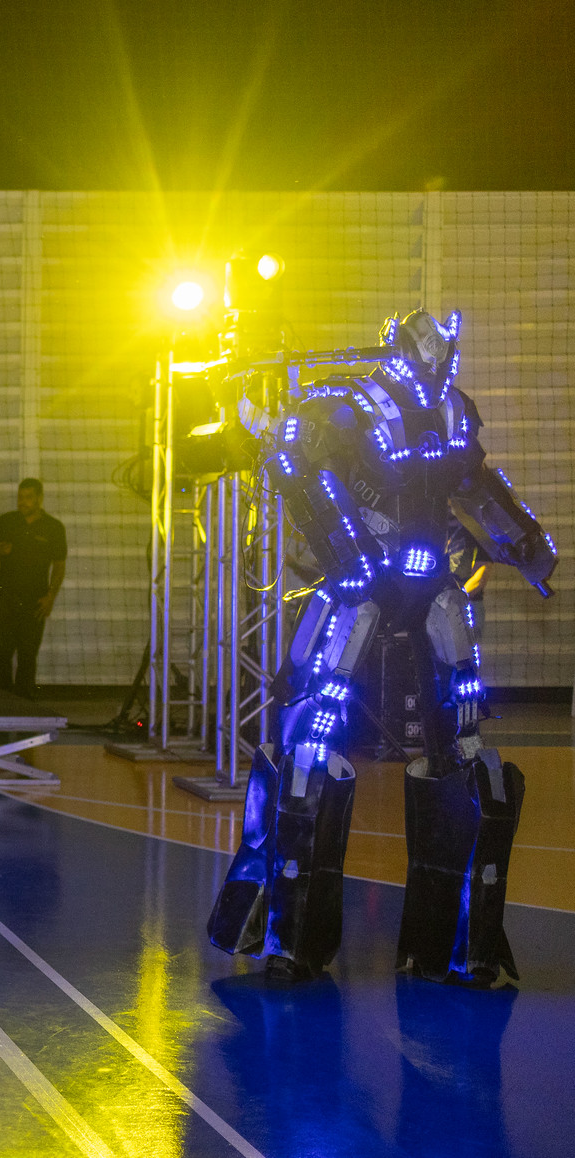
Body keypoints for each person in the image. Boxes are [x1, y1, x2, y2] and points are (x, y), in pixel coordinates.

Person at [208, 308, 554, 985]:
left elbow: (475, 482)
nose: (432, 363)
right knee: (311, 737)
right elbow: (293, 462)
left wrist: (523, 543)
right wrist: (347, 547)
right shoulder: (352, 405)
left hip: (430, 579)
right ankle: (288, 936)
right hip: (361, 580)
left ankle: (461, 944)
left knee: (464, 740)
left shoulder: (453, 411)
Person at [0, 478, 66, 698]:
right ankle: (2, 708)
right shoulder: (6, 521)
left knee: (28, 658)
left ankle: (25, 710)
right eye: (20, 497)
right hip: (4, 601)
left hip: (34, 603)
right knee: (1, 657)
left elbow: (59, 566)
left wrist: (50, 597)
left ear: (39, 498)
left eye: (28, 497)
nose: (23, 502)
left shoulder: (54, 528)